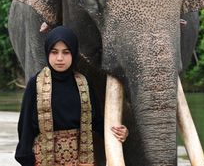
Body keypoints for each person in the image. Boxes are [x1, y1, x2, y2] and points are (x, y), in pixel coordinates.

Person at [15, 26, 128, 166]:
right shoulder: (35, 84)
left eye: (66, 52)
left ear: (74, 53)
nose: (60, 58)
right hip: (43, 160)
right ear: (47, 53)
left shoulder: (84, 84)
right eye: (54, 52)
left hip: (80, 160)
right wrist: (27, 160)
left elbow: (98, 122)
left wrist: (119, 132)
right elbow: (25, 127)